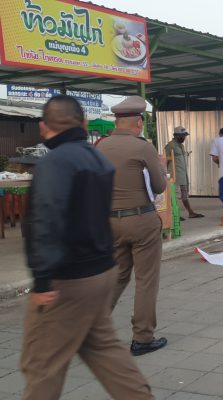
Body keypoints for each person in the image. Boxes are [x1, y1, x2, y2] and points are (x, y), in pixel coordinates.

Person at [22, 95, 153, 398]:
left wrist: (42, 280)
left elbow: (45, 220)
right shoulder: (96, 159)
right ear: (83, 123)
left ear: (43, 127)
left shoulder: (54, 162)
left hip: (67, 281)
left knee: (42, 364)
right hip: (101, 272)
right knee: (106, 351)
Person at [97, 96, 168, 356]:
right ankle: (142, 338)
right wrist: (161, 166)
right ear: (138, 122)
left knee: (117, 276)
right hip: (140, 221)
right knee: (146, 280)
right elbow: (159, 186)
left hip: (110, 221)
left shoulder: (100, 147)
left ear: (117, 121)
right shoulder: (143, 147)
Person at [165, 126, 203, 220]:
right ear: (176, 135)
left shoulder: (181, 146)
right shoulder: (170, 146)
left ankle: (191, 212)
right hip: (175, 176)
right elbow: (165, 160)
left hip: (183, 175)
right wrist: (166, 175)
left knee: (184, 196)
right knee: (175, 197)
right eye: (182, 136)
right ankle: (175, 215)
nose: (184, 138)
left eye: (184, 136)